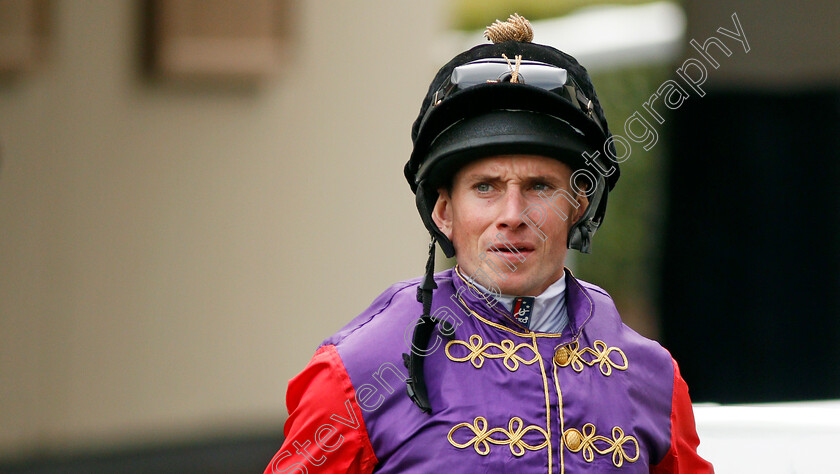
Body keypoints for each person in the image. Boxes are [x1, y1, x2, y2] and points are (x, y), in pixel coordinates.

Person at [264, 14, 713, 473]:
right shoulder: (357, 374)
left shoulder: (652, 377)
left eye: (539, 187)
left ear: (578, 205)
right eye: (486, 187)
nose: (512, 216)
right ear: (444, 212)